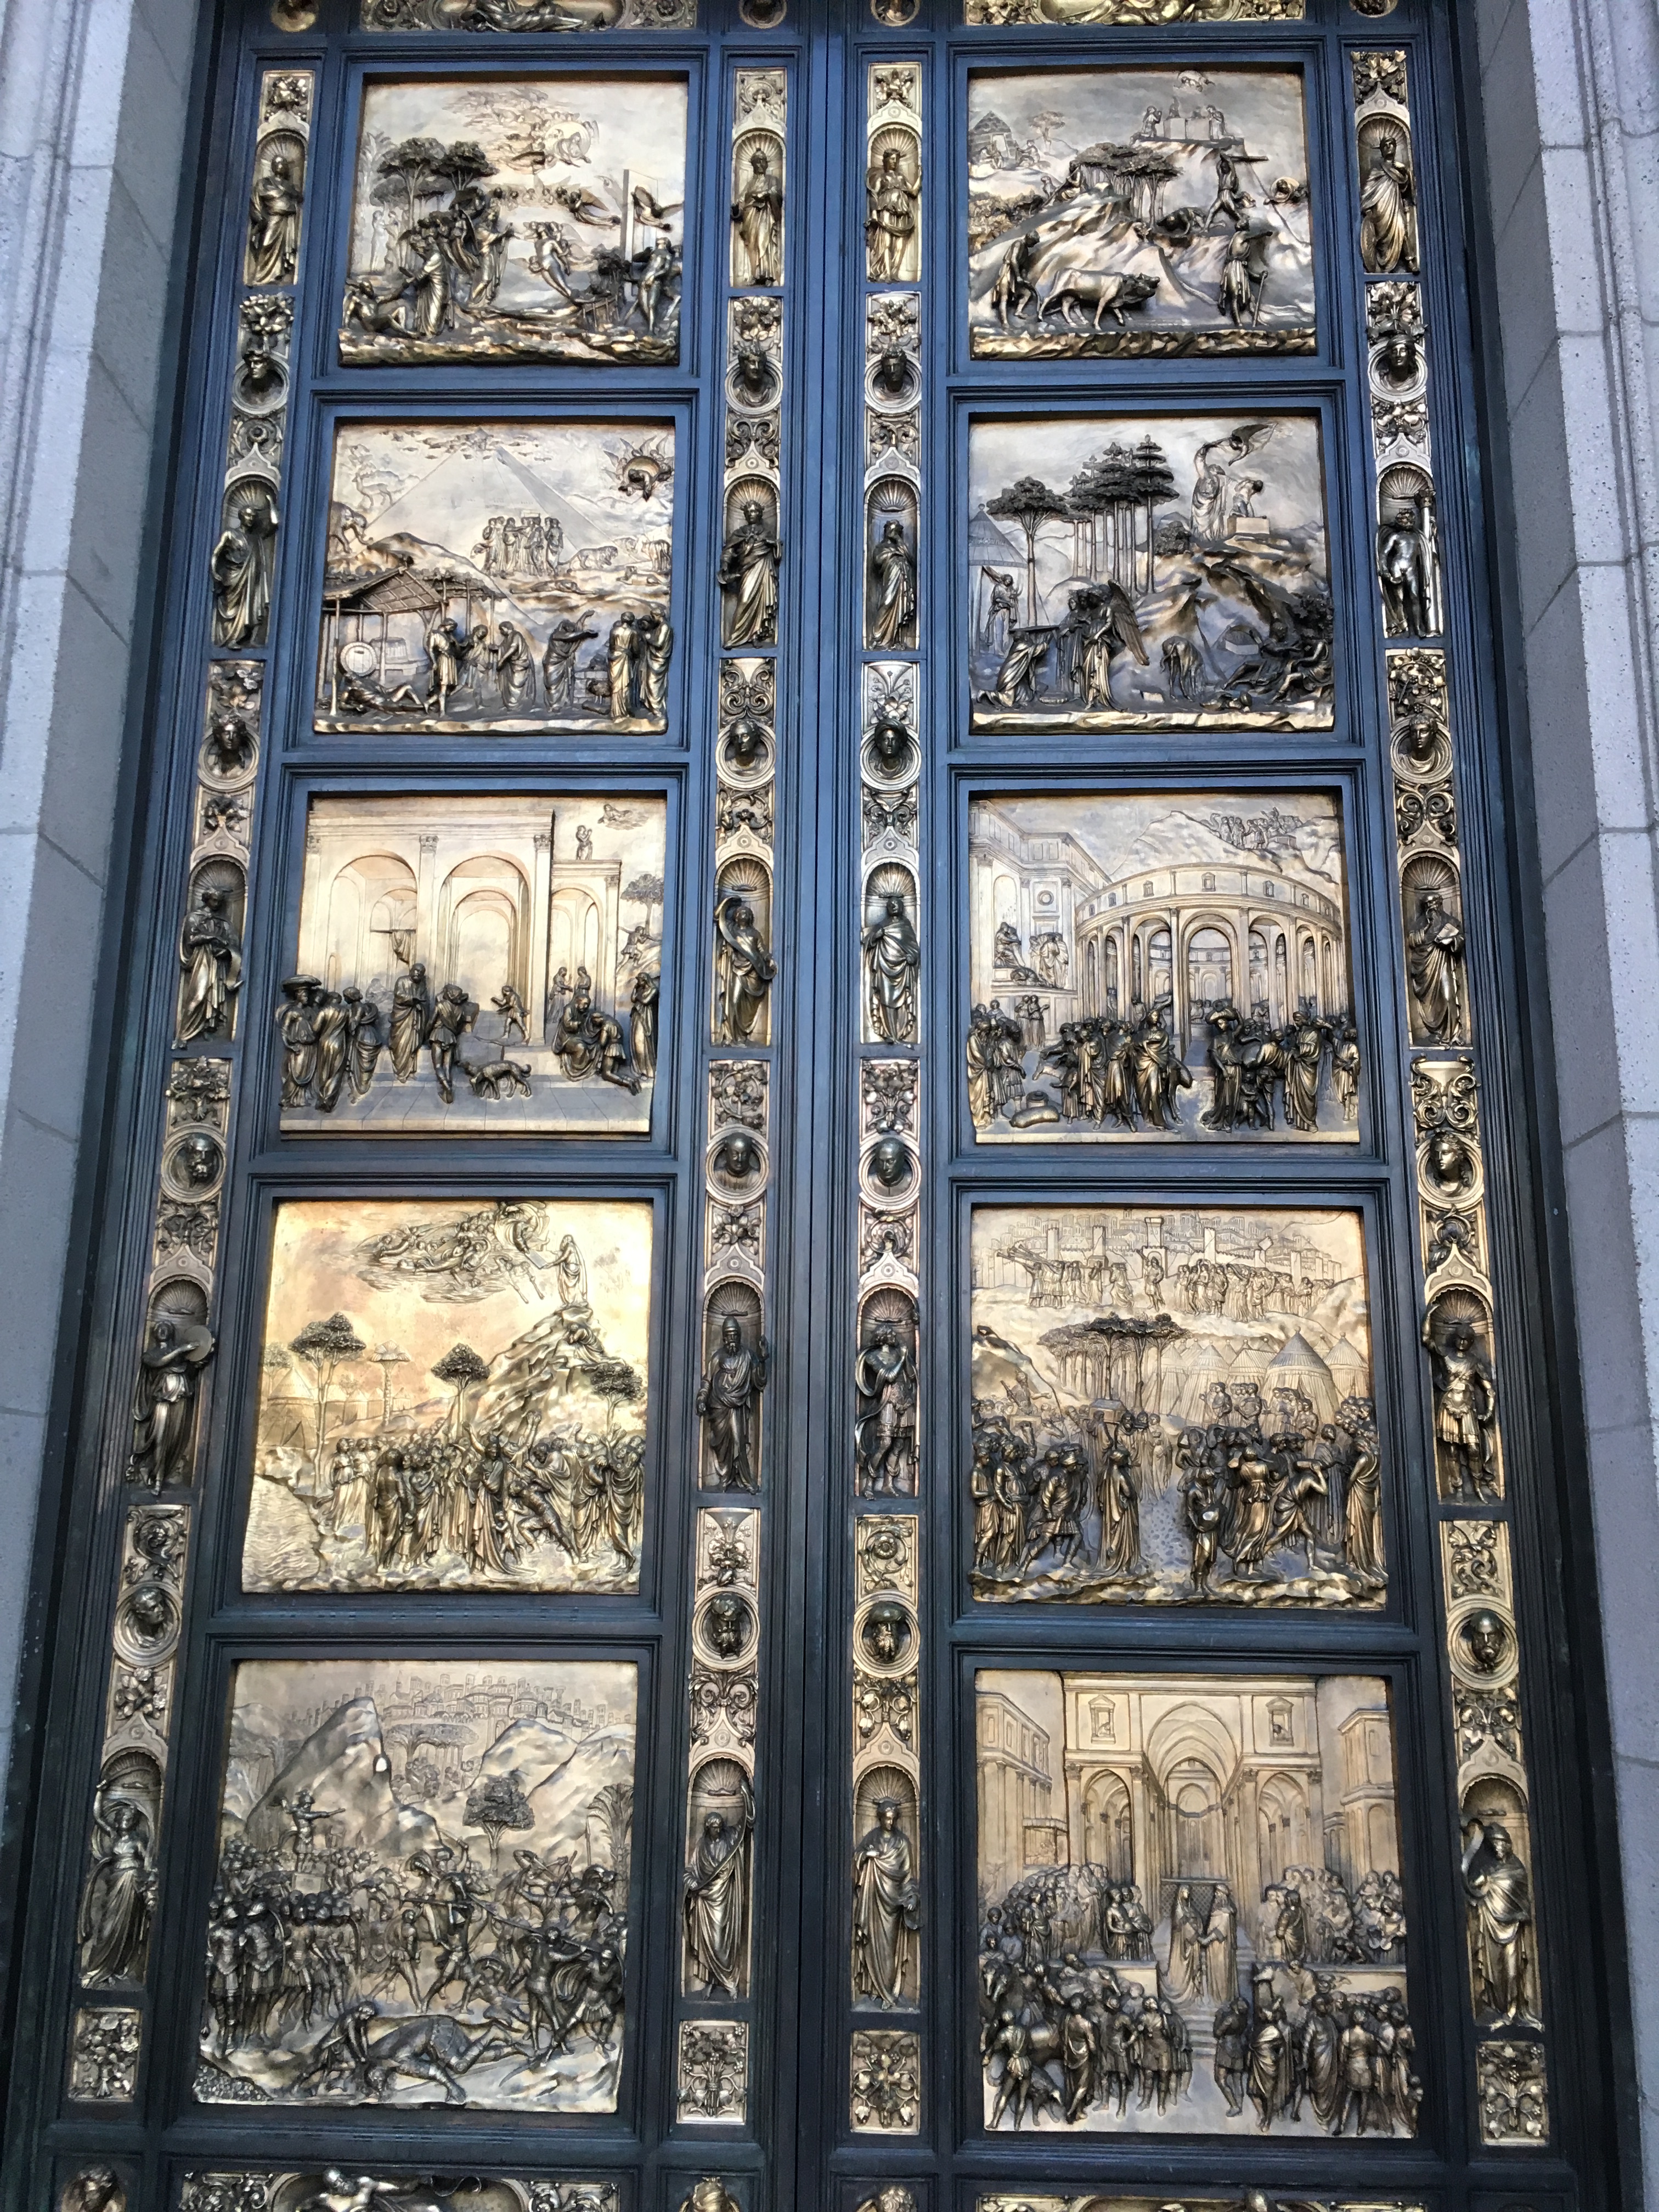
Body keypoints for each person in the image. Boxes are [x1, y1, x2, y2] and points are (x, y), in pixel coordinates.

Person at [1461, 1816, 1538, 2024]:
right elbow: (1473, 1888)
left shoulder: (1517, 1870)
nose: (1498, 1849)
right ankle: (1497, 2008)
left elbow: (1521, 1897)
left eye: (1501, 1845)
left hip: (1512, 1926)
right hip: (1491, 1927)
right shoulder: (1489, 1871)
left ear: (1508, 1845)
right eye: (1494, 1846)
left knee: (1513, 1972)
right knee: (1494, 1971)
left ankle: (1513, 2010)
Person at [684, 1788, 753, 1996]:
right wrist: (692, 1882)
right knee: (709, 1943)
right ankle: (711, 1981)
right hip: (706, 1900)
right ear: (708, 1827)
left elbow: (744, 1824)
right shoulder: (701, 1846)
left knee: (725, 1942)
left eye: (719, 1826)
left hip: (726, 1898)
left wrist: (745, 1794)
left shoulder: (730, 1838)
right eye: (714, 1827)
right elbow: (690, 1870)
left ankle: (730, 1982)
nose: (717, 1829)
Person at [851, 1797, 918, 2008]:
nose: (890, 1822)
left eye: (893, 1819)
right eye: (887, 1818)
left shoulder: (902, 1843)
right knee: (872, 1945)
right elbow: (857, 1858)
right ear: (880, 1818)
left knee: (890, 1951)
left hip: (894, 1905)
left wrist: (912, 1897)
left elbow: (909, 1877)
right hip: (873, 1902)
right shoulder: (872, 1837)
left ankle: (889, 1992)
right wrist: (866, 1855)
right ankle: (874, 1989)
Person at [696, 1312, 768, 1488]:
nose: (732, 1339)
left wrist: (762, 1359)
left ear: (740, 1336)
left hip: (737, 1406)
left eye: (735, 1335)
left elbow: (758, 1380)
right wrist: (702, 1399)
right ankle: (725, 1477)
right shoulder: (718, 1357)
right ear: (724, 1338)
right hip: (719, 1406)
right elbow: (707, 1381)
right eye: (729, 1336)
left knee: (738, 1441)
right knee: (723, 1446)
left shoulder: (748, 1356)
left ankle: (744, 1479)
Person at [210, 496, 277, 648]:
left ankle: (248, 638)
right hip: (234, 577)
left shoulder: (256, 537)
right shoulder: (230, 534)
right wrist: (215, 572)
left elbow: (274, 523)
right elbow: (216, 553)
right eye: (248, 515)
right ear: (241, 516)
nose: (251, 518)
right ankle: (231, 639)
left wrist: (271, 504)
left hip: (251, 579)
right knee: (233, 608)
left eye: (253, 516)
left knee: (251, 607)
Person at [177, 884, 241, 1042]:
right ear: (207, 899)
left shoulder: (223, 922)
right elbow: (191, 940)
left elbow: (233, 942)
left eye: (219, 901)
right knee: (199, 995)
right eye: (214, 900)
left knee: (214, 996)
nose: (217, 904)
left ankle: (209, 1026)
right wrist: (211, 938)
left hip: (218, 964)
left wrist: (226, 952)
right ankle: (183, 1034)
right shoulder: (194, 918)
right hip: (202, 961)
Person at [714, 890, 776, 1042]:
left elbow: (762, 950)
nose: (744, 915)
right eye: (741, 913)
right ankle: (733, 1037)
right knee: (734, 1001)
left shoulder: (755, 934)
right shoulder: (732, 929)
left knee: (748, 1006)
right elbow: (718, 917)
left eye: (747, 913)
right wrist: (726, 902)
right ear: (736, 917)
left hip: (753, 971)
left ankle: (743, 1036)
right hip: (737, 970)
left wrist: (769, 959)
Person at [718, 500, 780, 647]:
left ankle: (756, 634)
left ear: (759, 513)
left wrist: (774, 544)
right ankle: (735, 637)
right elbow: (729, 551)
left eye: (755, 511)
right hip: (746, 570)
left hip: (762, 569)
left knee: (761, 602)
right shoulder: (740, 533)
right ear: (746, 514)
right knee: (745, 600)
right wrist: (725, 565)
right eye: (749, 512)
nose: (752, 514)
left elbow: (776, 551)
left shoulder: (766, 533)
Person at [862, 891, 920, 1043]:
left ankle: (900, 1032)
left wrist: (912, 957)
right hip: (884, 968)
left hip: (902, 970)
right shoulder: (881, 926)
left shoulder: (906, 925)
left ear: (901, 907)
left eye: (896, 904)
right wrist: (876, 936)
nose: (894, 906)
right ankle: (890, 1033)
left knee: (902, 1001)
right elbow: (867, 941)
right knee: (886, 1000)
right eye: (891, 905)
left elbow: (913, 947)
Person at [1360, 129, 1417, 272]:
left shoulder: (1398, 168)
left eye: (1391, 144)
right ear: (1382, 150)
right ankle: (1382, 264)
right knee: (1381, 238)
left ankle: (1410, 261)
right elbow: (1368, 189)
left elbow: (1405, 187)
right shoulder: (1377, 170)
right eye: (1385, 145)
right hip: (1381, 208)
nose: (1388, 147)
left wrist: (1405, 170)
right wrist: (1368, 208)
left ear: (1395, 147)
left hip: (1396, 206)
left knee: (1402, 229)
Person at [247, 151, 302, 285]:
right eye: (278, 163)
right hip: (271, 219)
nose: (280, 166)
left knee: (282, 249)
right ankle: (261, 276)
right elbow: (258, 198)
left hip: (284, 221)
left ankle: (277, 273)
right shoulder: (265, 183)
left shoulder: (289, 186)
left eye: (283, 163)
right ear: (273, 166)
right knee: (266, 244)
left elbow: (298, 197)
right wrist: (260, 218)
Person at [866, 145, 919, 280]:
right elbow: (874, 196)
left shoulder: (901, 178)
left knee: (901, 246)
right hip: (886, 211)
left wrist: (920, 176)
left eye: (897, 159)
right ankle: (887, 274)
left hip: (902, 212)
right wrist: (874, 214)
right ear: (886, 160)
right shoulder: (882, 178)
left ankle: (895, 273)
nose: (895, 162)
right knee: (887, 244)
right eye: (892, 159)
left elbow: (913, 192)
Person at [733, 146, 782, 285]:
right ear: (753, 165)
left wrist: (766, 195)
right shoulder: (750, 183)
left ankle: (767, 274)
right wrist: (736, 209)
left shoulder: (772, 180)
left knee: (764, 242)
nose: (760, 164)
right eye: (757, 162)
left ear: (766, 164)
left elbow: (776, 193)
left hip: (766, 216)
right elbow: (741, 201)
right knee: (752, 245)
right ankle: (755, 274)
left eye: (763, 161)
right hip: (751, 218)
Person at [867, 518, 916, 648]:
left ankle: (895, 640)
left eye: (897, 532)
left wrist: (899, 542)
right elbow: (878, 560)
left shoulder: (900, 547)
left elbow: (911, 559)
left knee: (901, 606)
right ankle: (878, 637)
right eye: (892, 530)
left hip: (901, 579)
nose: (894, 533)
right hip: (890, 577)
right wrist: (894, 554)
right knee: (887, 602)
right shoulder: (882, 547)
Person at [390, 964, 429, 1082]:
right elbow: (398, 995)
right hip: (402, 1016)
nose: (418, 973)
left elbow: (424, 1000)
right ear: (411, 970)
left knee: (413, 1044)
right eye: (416, 970)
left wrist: (420, 1006)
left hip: (415, 1017)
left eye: (421, 972)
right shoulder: (402, 981)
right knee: (401, 1043)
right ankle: (400, 1072)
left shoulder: (422, 985)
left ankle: (410, 1071)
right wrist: (412, 999)